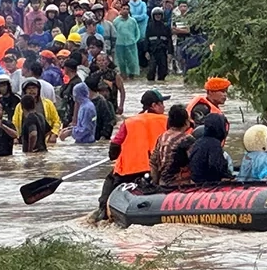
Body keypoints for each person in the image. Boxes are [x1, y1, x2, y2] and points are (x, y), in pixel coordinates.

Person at [95, 89, 170, 219]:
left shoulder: (130, 122)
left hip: (129, 172)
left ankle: (103, 211)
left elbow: (115, 144)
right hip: (157, 170)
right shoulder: (167, 121)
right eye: (162, 103)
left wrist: (113, 156)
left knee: (109, 180)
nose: (164, 106)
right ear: (154, 105)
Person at [149, 104, 193, 190]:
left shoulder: (162, 137)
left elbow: (153, 162)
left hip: (163, 183)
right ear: (186, 121)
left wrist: (154, 184)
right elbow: (196, 163)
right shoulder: (187, 139)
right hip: (179, 185)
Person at [188, 113, 233, 184]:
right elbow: (216, 166)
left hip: (195, 180)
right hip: (205, 184)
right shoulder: (214, 145)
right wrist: (228, 176)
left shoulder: (199, 142)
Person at [111, 4, 140, 78]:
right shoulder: (116, 21)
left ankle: (131, 77)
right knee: (121, 63)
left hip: (131, 45)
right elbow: (113, 33)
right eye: (124, 9)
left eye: (127, 9)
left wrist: (134, 41)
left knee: (132, 62)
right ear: (120, 10)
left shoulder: (133, 21)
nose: (125, 11)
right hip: (119, 45)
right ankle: (123, 78)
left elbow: (137, 32)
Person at [144, 7, 171, 82]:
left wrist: (170, 52)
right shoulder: (149, 26)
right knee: (151, 70)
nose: (158, 16)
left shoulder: (165, 27)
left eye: (159, 14)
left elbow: (169, 40)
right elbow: (146, 39)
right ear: (153, 16)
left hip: (162, 51)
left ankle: (161, 83)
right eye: (156, 15)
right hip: (152, 51)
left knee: (163, 70)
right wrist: (146, 51)